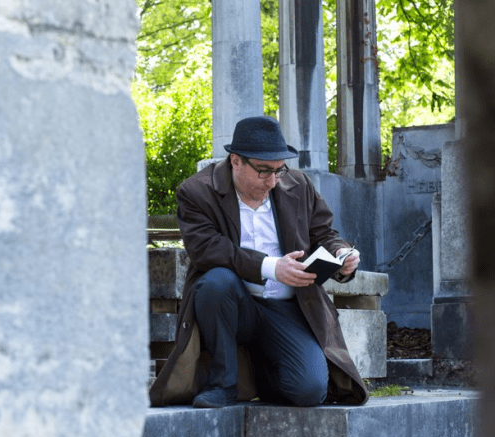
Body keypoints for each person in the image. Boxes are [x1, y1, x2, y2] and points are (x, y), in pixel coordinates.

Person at [149, 116, 369, 408]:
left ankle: (258, 374)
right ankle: (223, 384)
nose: (273, 180)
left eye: (279, 170)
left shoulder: (297, 184)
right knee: (215, 282)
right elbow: (207, 249)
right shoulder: (197, 191)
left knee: (310, 391)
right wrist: (271, 267)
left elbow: (324, 233)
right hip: (232, 303)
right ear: (236, 161)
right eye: (264, 171)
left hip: (289, 308)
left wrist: (341, 254)